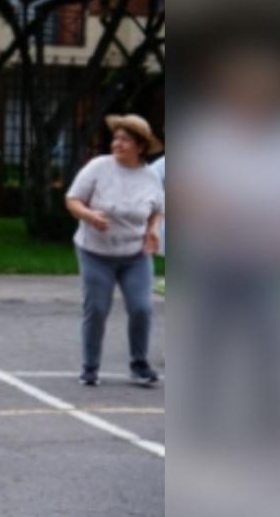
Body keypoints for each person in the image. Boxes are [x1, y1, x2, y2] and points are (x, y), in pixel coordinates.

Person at [65, 114, 164, 387]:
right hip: (95, 252)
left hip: (135, 254)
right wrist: (88, 215)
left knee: (142, 308)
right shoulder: (98, 167)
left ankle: (139, 364)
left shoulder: (150, 177)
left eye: (125, 139)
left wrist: (153, 229)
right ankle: (90, 367)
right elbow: (72, 200)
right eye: (116, 137)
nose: (117, 143)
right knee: (97, 307)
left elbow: (157, 210)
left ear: (140, 147)